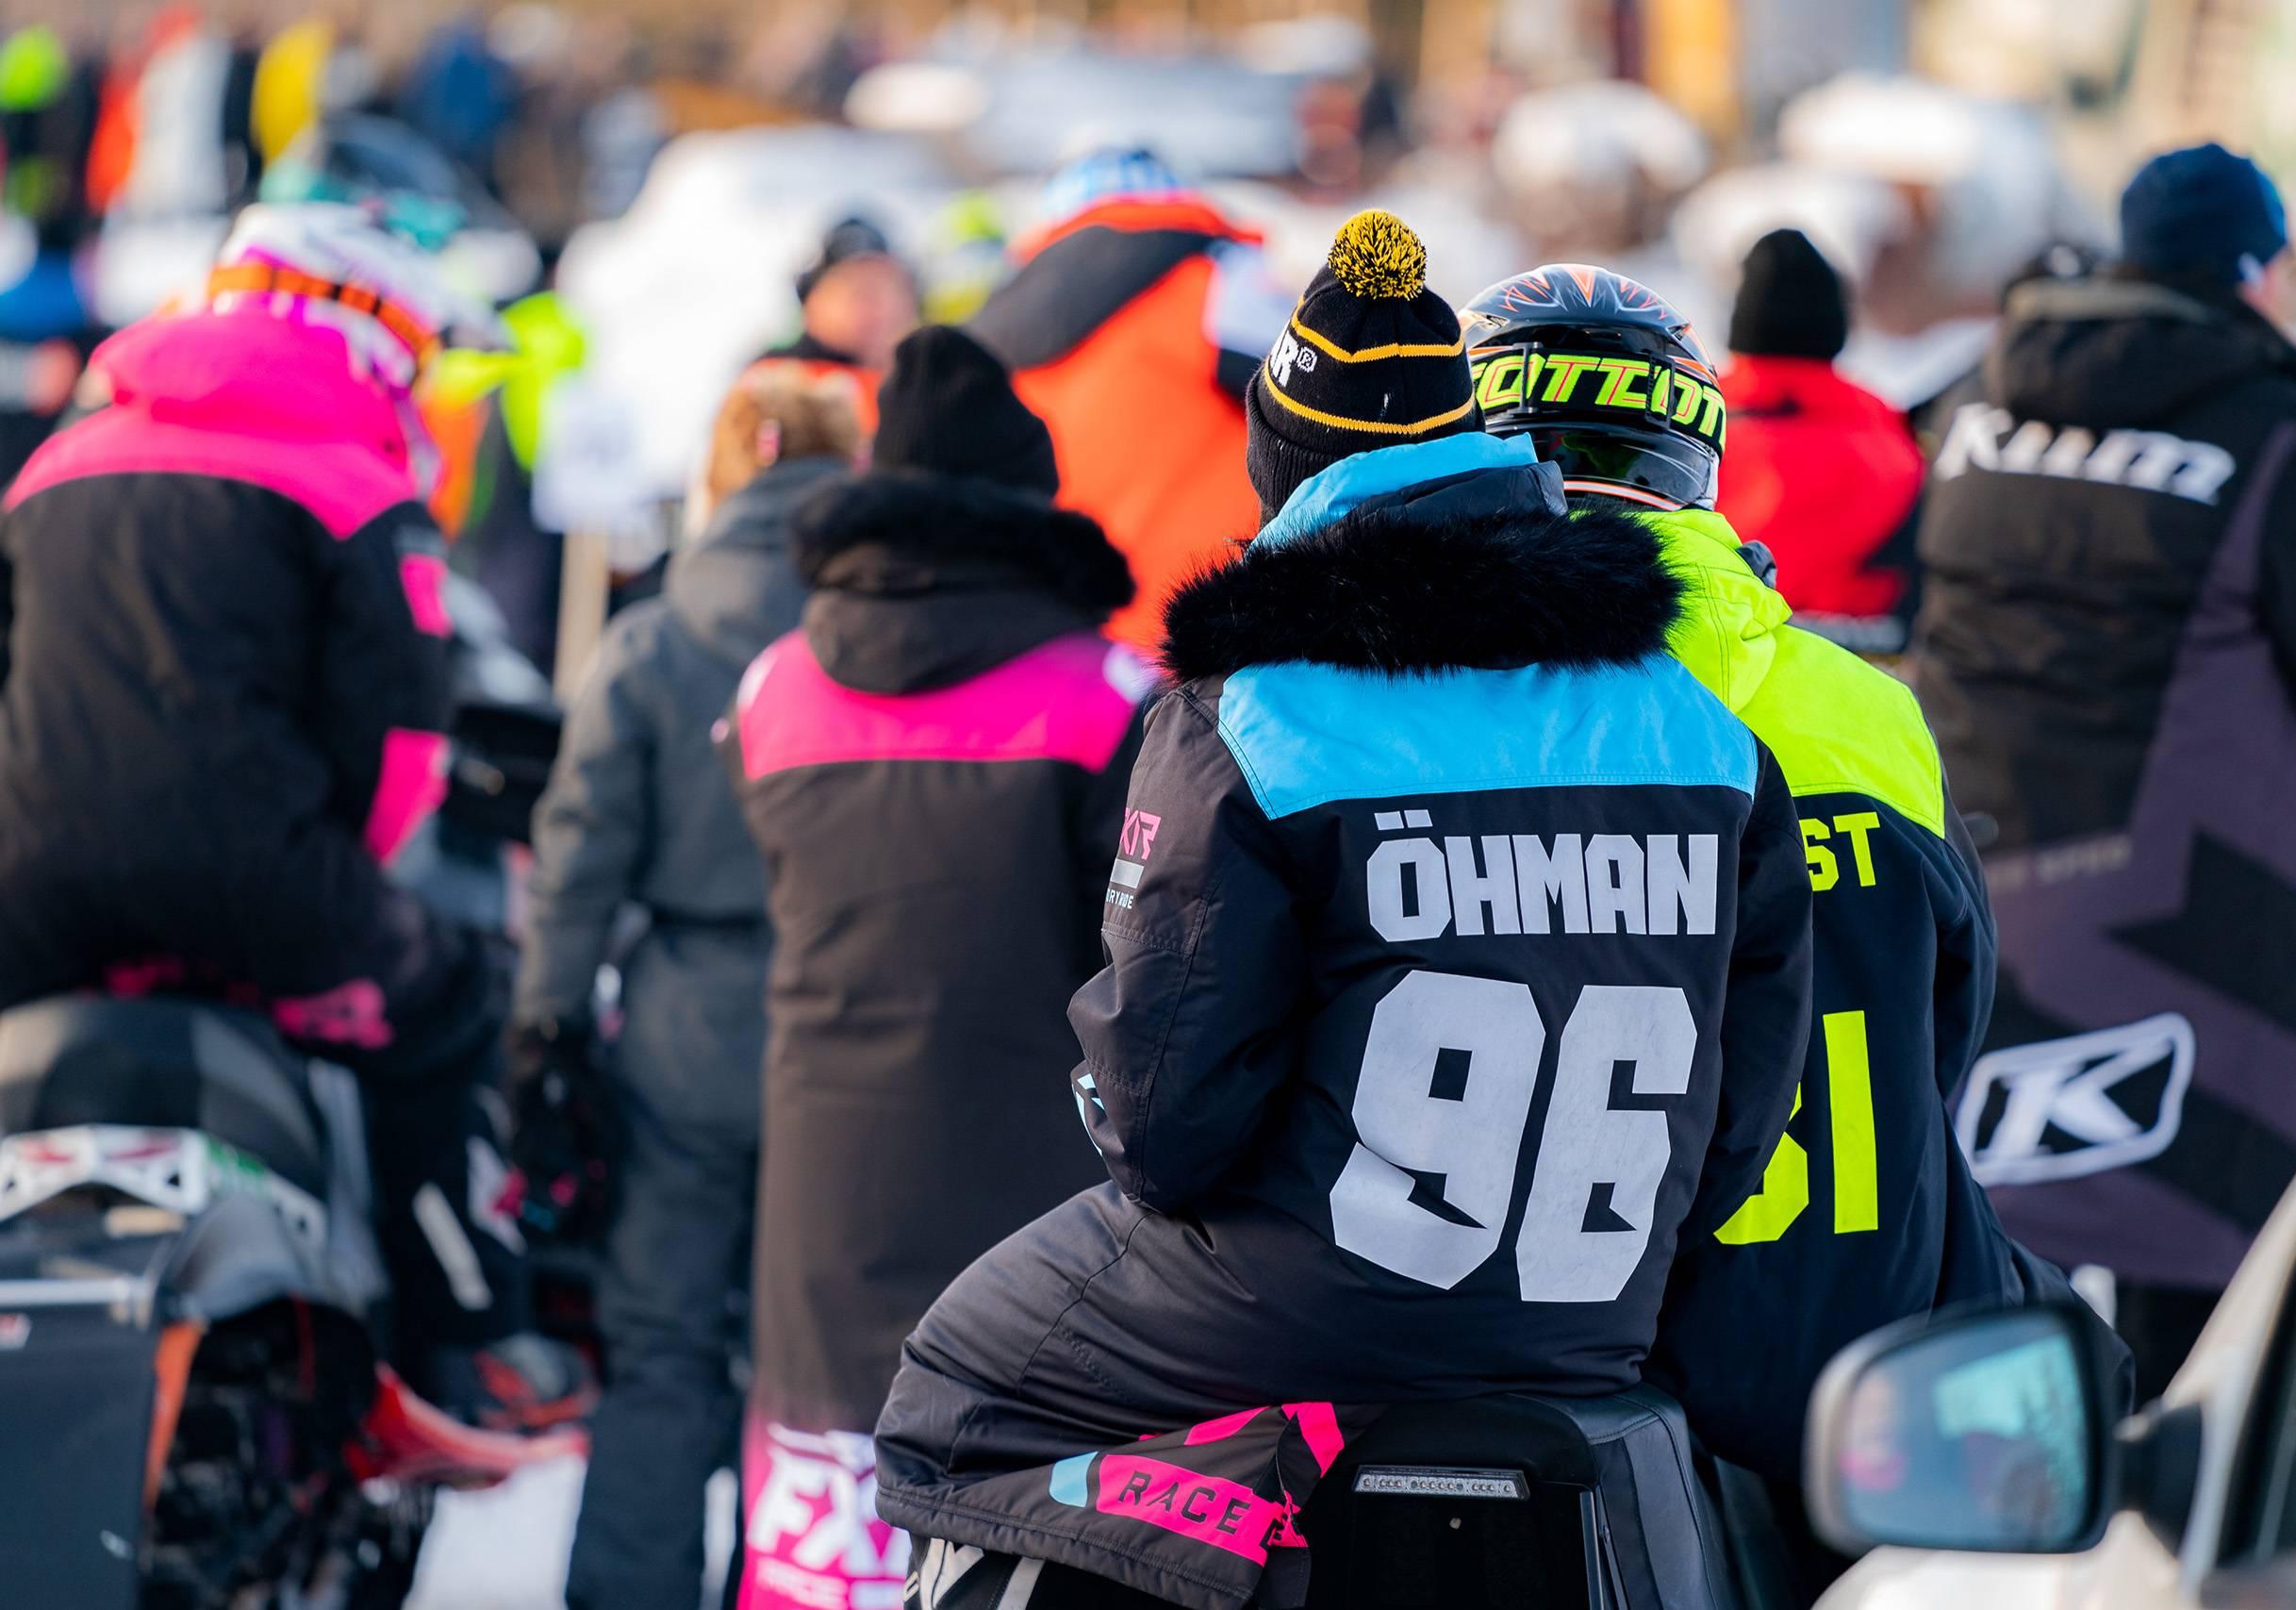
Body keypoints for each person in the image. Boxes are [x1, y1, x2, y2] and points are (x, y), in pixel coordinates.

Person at [874, 212, 1816, 1610]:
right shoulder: (1705, 727)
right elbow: (1744, 1111)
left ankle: (1244, 1522)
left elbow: (1169, 1122)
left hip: (1314, 1312)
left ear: (1287, 463)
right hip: (1594, 1324)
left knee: (949, 1392)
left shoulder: (1255, 711)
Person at [1459, 261, 2096, 1596]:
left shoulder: (1439, 708)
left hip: (1545, 1378)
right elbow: (1947, 1019)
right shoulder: (1861, 710)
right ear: (1691, 453)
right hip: (1854, 1371)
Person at [0, 203, 586, 1430]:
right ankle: (464, 1336)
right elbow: (401, 751)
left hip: (32, 877)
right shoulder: (352, 478)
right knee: (449, 1009)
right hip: (260, 886)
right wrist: (341, 885)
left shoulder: (59, 458)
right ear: (373, 340)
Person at [1910, 143, 2296, 1396]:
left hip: (1978, 917)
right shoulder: (2276, 429)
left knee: (1989, 1277)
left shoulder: (1978, 403)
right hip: (2203, 940)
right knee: (2221, 1330)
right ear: (2251, 269)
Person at [725, 325, 1150, 1610]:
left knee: (825, 1544)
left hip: (819, 1188)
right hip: (1037, 1198)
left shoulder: (770, 688)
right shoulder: (1109, 695)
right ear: (1029, 507)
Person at [513, 365, 863, 1610]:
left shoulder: (651, 636)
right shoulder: (872, 630)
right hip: (843, 1021)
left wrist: (545, 1026)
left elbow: (576, 858)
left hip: (680, 1023)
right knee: (822, 1360)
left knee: (659, 1344)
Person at [967, 146, 1284, 646]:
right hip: (1211, 620)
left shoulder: (995, 323)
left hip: (1071, 637)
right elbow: (1327, 410)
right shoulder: (1220, 280)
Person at [1716, 229, 1926, 660]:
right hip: (1853, 669)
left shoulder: (1688, 423)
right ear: (1835, 325)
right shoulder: (1892, 443)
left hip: (1705, 670)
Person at [758, 212, 920, 431]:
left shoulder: (927, 383)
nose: (876, 309)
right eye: (856, 292)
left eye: (886, 288)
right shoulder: (773, 383)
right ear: (812, 302)